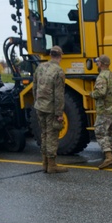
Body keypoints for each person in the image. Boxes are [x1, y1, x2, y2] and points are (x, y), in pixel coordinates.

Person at [34, 46, 66, 174]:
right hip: (51, 108)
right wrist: (59, 113)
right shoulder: (58, 71)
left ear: (51, 55)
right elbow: (59, 95)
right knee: (52, 135)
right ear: (61, 55)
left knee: (44, 134)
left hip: (39, 106)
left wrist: (37, 102)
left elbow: (34, 87)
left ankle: (44, 163)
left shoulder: (40, 67)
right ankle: (52, 165)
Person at [91, 54, 112, 170]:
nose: (97, 64)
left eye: (97, 62)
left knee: (100, 131)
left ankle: (108, 156)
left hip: (105, 109)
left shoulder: (102, 77)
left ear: (101, 64)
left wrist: (92, 94)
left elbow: (101, 93)